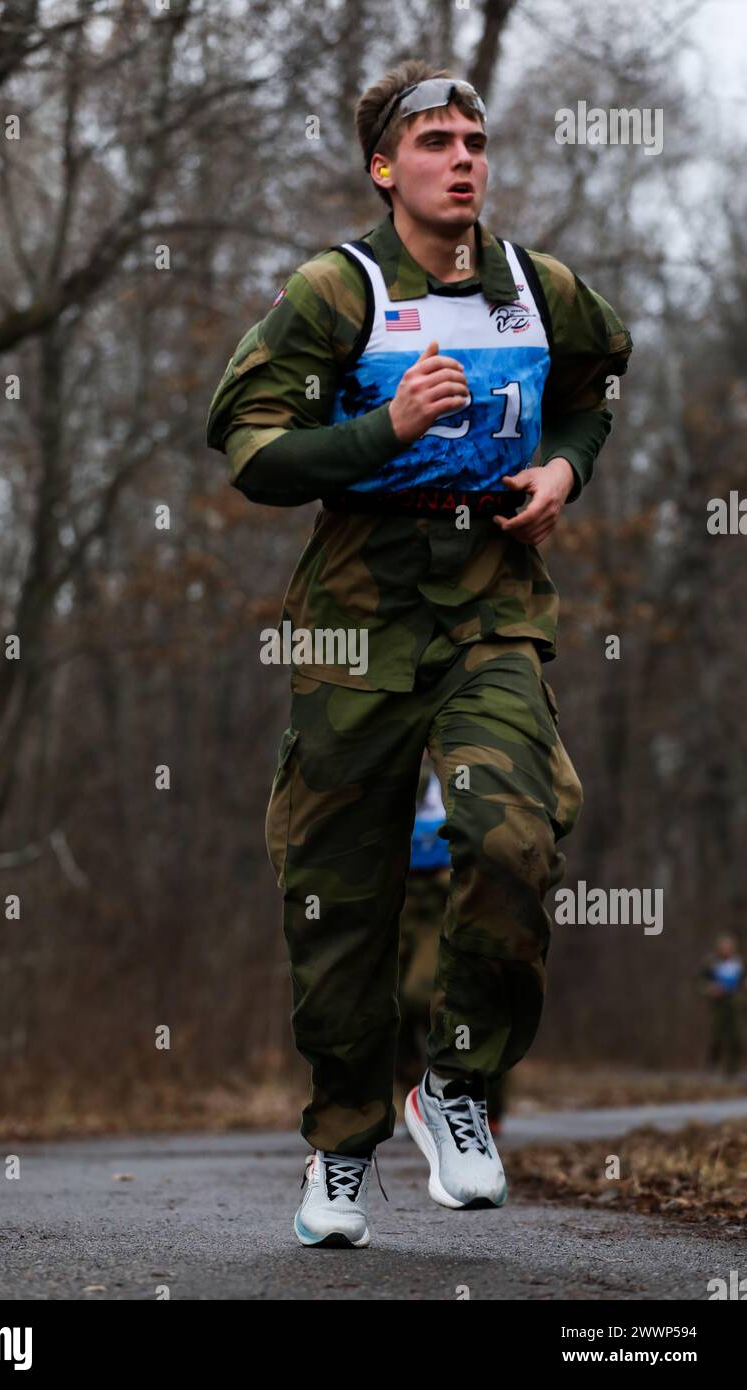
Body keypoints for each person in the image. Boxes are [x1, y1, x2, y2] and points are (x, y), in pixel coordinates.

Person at [206, 59, 632, 1249]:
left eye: (475, 139)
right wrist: (376, 428)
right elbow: (248, 449)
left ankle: (450, 1085)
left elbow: (597, 381)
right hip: (355, 624)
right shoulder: (334, 292)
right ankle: (340, 1147)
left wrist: (562, 468)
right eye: (434, 140)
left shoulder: (533, 286)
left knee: (511, 834)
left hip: (492, 608)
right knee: (339, 908)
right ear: (384, 166)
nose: (462, 158)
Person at [397, 759, 510, 1134]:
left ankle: (477, 1098)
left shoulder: (464, 768)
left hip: (449, 891)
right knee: (383, 1002)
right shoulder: (389, 771)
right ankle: (422, 1090)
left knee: (429, 995)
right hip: (399, 891)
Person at [698, 934, 745, 1077]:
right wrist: (709, 988)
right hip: (718, 1005)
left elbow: (743, 980)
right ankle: (711, 1066)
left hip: (736, 1004)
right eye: (724, 947)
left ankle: (733, 1070)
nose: (726, 950)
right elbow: (700, 981)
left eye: (729, 947)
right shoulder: (711, 962)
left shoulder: (739, 962)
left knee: (737, 1037)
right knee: (716, 1037)